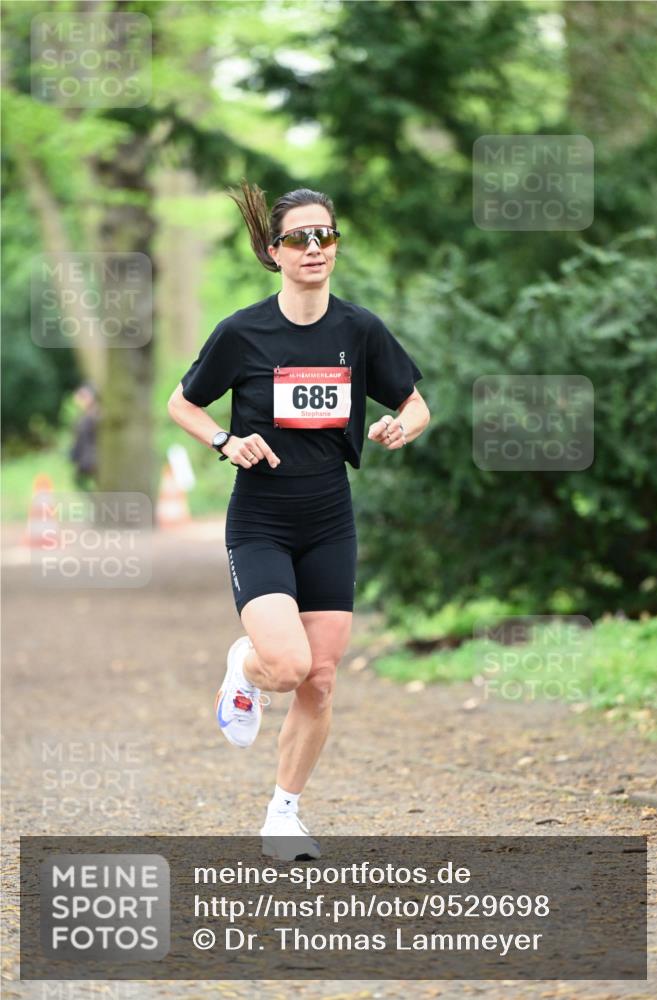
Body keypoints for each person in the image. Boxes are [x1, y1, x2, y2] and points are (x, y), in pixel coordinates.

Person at [167, 180, 430, 860]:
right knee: (285, 666)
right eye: (299, 238)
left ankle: (283, 815)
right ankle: (244, 665)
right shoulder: (243, 332)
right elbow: (182, 404)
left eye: (325, 235)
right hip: (260, 518)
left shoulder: (359, 329)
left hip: (329, 516)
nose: (314, 248)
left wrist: (403, 424)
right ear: (272, 250)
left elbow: (415, 401)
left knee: (320, 676)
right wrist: (224, 441)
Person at [69, 383, 99, 491]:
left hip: (94, 459)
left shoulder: (96, 416)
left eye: (84, 397)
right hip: (84, 460)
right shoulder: (83, 416)